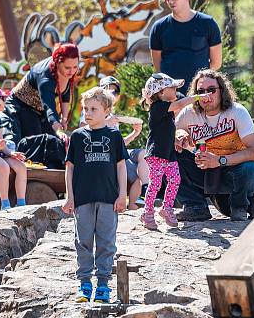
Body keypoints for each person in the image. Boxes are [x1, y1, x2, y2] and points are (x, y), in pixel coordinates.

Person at [62, 87, 128, 304]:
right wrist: (70, 197)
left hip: (109, 198)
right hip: (82, 199)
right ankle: (84, 284)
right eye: (85, 109)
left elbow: (121, 167)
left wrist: (123, 195)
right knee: (83, 241)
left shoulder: (114, 136)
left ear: (106, 110)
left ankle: (102, 284)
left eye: (93, 109)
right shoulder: (78, 137)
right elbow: (70, 168)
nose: (87, 113)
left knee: (106, 242)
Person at [174, 69, 254, 222]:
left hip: (234, 180)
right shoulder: (189, 113)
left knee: (251, 168)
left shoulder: (237, 111)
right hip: (206, 175)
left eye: (211, 90)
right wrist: (179, 135)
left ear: (222, 91)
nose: (205, 95)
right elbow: (173, 131)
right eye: (200, 91)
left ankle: (241, 207)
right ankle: (195, 206)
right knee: (166, 153)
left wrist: (220, 160)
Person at [139, 73, 211, 229]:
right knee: (156, 184)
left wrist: (176, 140)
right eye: (172, 88)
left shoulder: (168, 111)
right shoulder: (158, 107)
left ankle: (167, 208)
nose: (176, 91)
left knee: (175, 180)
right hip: (156, 155)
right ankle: (147, 212)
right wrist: (197, 97)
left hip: (169, 154)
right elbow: (180, 104)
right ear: (161, 92)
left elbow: (164, 132)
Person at [2, 42, 80, 169]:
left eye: (75, 67)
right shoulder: (45, 78)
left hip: (40, 109)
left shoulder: (67, 69)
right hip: (21, 106)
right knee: (36, 141)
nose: (72, 71)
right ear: (57, 62)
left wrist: (64, 119)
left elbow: (65, 93)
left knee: (53, 142)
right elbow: (49, 108)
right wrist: (59, 130)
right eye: (67, 68)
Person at [80, 76, 149, 210]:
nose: (112, 94)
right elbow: (82, 133)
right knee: (133, 172)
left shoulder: (113, 114)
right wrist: (106, 123)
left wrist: (134, 134)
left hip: (115, 152)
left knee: (143, 157)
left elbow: (117, 145)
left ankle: (143, 196)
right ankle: (135, 204)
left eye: (115, 92)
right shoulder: (91, 108)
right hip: (99, 154)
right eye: (107, 90)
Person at [150, 0, 222, 92]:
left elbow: (216, 62)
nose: (171, 1)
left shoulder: (207, 23)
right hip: (171, 96)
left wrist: (201, 85)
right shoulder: (159, 27)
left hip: (199, 95)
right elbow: (158, 67)